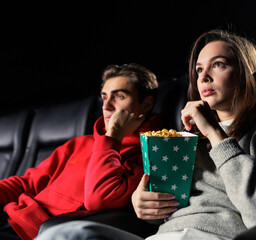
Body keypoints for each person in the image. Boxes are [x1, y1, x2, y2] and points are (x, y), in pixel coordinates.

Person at [35, 29, 256, 240]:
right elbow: (166, 210)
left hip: (217, 236)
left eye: (218, 65)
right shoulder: (186, 139)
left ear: (246, 73)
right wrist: (143, 206)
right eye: (199, 69)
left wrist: (214, 132)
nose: (204, 77)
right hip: (164, 235)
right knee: (62, 234)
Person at [0, 63, 163, 240]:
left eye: (119, 96)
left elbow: (99, 199)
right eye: (104, 97)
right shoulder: (79, 143)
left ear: (146, 104)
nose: (107, 106)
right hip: (11, 218)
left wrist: (113, 137)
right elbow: (27, 183)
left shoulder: (148, 153)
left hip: (37, 232)